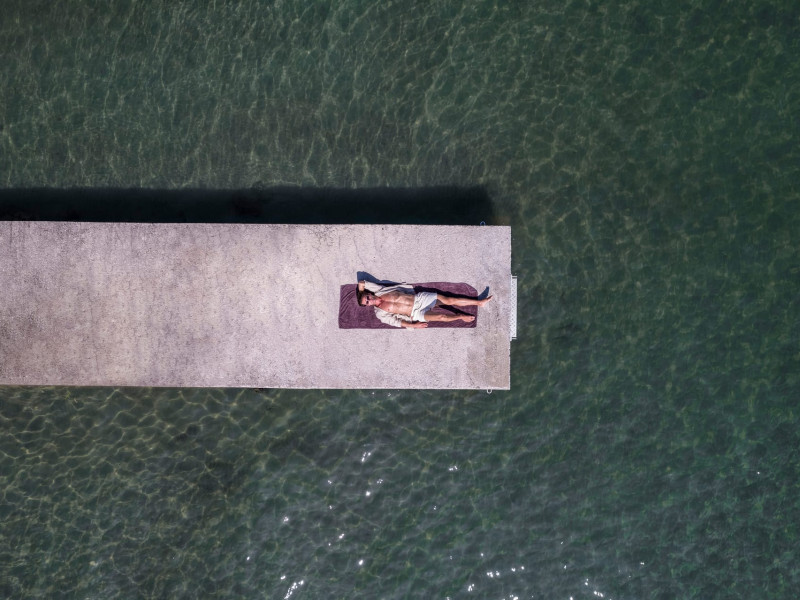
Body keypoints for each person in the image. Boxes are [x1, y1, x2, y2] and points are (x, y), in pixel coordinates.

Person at [356, 280, 492, 328]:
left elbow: (361, 283)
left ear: (369, 293)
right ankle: (460, 316)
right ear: (368, 305)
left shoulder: (379, 290)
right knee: (441, 317)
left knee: (449, 300)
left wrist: (360, 294)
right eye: (367, 303)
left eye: (367, 298)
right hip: (416, 313)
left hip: (419, 299)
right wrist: (413, 325)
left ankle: (479, 302)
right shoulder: (380, 313)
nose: (369, 301)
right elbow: (396, 322)